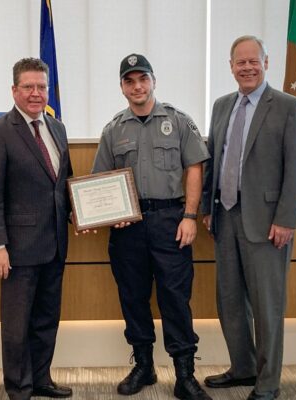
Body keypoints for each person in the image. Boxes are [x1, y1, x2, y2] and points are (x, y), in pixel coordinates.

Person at [91, 54, 212, 400]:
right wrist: (111, 212)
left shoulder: (178, 121)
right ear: (122, 87)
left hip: (170, 222)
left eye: (142, 79)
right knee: (133, 297)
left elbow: (194, 169)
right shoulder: (114, 129)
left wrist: (190, 216)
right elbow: (101, 180)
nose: (137, 86)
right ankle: (143, 366)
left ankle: (185, 375)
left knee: (175, 298)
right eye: (129, 81)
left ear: (154, 81)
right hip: (128, 228)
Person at [201, 35, 296, 400]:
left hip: (267, 222)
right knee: (229, 300)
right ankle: (243, 367)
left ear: (267, 62)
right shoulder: (221, 106)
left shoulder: (288, 107)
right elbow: (214, 159)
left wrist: (287, 219)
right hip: (225, 215)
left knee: (267, 305)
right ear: (230, 66)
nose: (247, 67)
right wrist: (206, 208)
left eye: (253, 61)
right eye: (239, 62)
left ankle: (267, 382)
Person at [0, 58, 73, 400]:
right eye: (28, 87)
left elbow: (63, 183)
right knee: (16, 326)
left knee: (47, 319)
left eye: (42, 87)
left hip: (55, 243)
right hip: (17, 248)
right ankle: (19, 388)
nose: (36, 93)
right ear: (14, 90)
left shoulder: (57, 128)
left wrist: (80, 215)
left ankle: (41, 378)